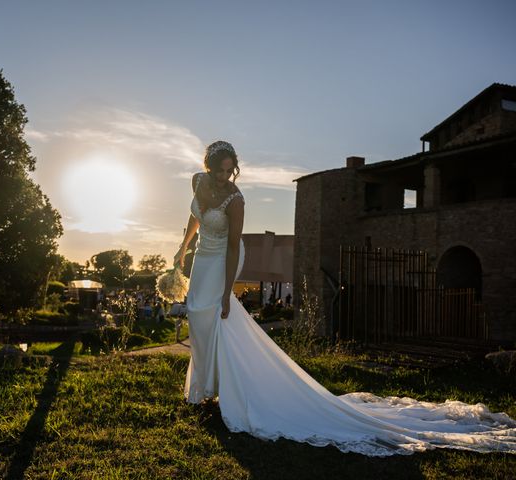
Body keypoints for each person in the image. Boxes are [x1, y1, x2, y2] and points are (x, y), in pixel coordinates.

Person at [172, 140, 516, 457]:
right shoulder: (198, 183)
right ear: (208, 166)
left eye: (229, 169)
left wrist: (230, 290)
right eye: (219, 168)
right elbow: (194, 218)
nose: (223, 175)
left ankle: (216, 390)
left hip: (224, 260)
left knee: (216, 313)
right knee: (197, 315)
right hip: (202, 258)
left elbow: (233, 245)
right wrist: (182, 248)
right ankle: (203, 387)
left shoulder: (236, 199)